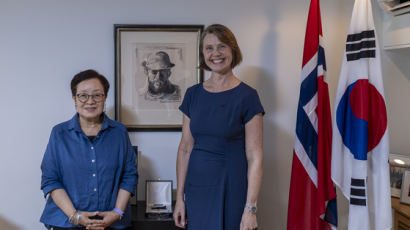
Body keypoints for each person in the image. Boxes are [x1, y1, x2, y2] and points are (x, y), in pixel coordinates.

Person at [173, 24, 265, 230]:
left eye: (222, 46)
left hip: (233, 187)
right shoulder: (192, 94)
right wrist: (179, 198)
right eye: (209, 48)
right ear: (202, 54)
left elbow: (255, 156)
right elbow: (185, 148)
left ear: (233, 50)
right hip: (197, 189)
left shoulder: (248, 96)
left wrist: (250, 208)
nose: (215, 53)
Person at [40, 69, 138, 230]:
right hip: (66, 221)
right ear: (74, 98)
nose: (90, 101)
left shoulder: (119, 132)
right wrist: (75, 215)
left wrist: (117, 212)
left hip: (112, 222)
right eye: (83, 95)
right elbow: (50, 179)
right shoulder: (59, 133)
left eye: (97, 95)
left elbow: (129, 175)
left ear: (105, 97)